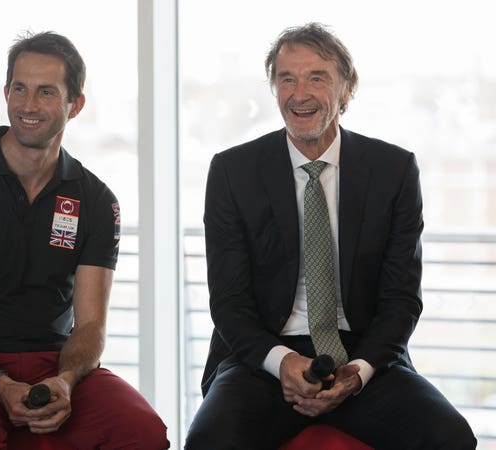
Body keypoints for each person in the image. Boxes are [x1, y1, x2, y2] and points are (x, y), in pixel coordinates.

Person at [185, 23, 476, 450]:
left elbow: (401, 300)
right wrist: (281, 362)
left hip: (363, 354)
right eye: (287, 79)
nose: (299, 94)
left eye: (316, 77)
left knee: (450, 438)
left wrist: (357, 371)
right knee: (210, 442)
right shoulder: (233, 171)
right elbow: (228, 303)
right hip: (262, 358)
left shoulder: (393, 171)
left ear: (346, 89)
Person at [0, 31, 168, 450]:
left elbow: (91, 325)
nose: (28, 105)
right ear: (6, 92)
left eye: (46, 92)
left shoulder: (96, 200)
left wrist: (65, 381)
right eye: (19, 89)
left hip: (54, 363)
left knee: (143, 433)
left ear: (75, 104)